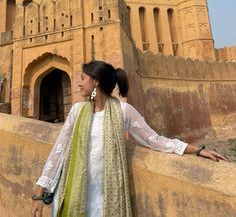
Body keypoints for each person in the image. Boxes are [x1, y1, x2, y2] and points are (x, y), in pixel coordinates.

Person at [31, 60, 228, 217]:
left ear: (96, 82)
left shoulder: (123, 111)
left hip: (106, 198)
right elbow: (58, 151)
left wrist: (197, 150)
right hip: (73, 193)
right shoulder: (77, 111)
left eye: (82, 78)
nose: (78, 83)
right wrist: (39, 193)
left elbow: (155, 140)